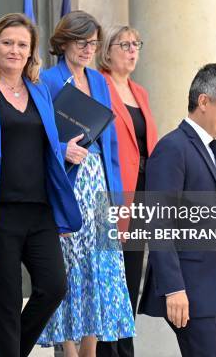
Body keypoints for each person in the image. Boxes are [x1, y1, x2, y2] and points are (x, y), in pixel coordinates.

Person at [139, 63, 216, 357]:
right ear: (204, 102)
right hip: (194, 292)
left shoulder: (213, 148)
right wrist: (173, 288)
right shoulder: (173, 148)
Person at [0, 13, 83, 357]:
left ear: (31, 51)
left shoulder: (39, 91)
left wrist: (66, 153)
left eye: (22, 44)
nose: (14, 50)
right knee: (4, 301)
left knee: (53, 287)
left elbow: (46, 145)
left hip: (40, 211)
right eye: (7, 42)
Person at [37, 10, 135, 357]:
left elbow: (109, 144)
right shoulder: (47, 80)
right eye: (81, 42)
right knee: (69, 266)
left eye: (93, 43)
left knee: (100, 266)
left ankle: (90, 349)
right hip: (67, 183)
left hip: (98, 185)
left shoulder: (99, 81)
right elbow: (41, 138)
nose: (88, 49)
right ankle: (68, 348)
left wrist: (116, 195)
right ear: (63, 42)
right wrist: (64, 151)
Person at [95, 26, 158, 357]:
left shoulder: (140, 92)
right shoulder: (97, 86)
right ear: (107, 51)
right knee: (110, 284)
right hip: (114, 194)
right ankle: (111, 351)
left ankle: (126, 349)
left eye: (137, 44)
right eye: (125, 45)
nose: (133, 50)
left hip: (143, 197)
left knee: (131, 280)